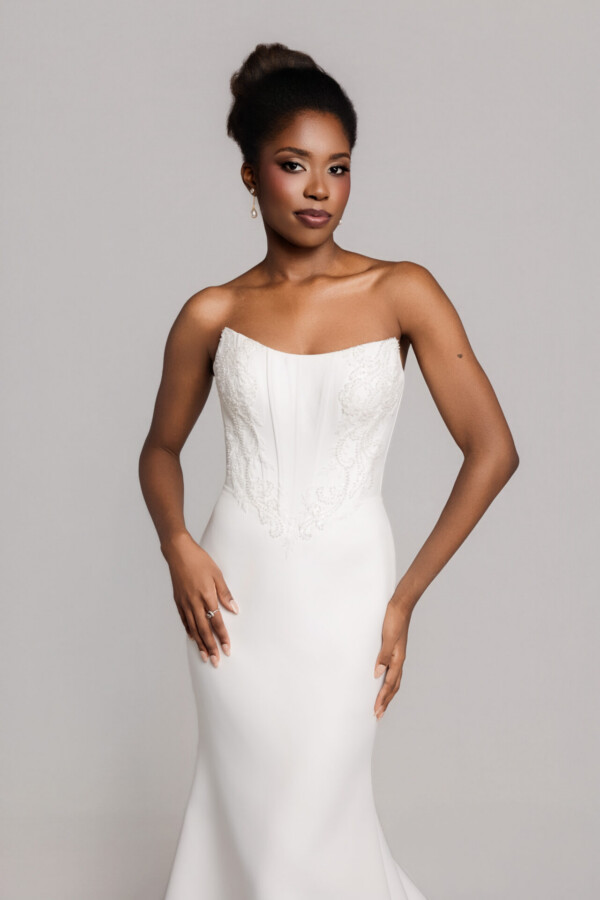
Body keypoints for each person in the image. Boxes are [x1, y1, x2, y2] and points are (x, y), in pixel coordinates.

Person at [138, 41, 519, 900]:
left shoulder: (402, 291)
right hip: (234, 601)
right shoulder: (213, 312)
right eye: (293, 166)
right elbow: (159, 449)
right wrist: (178, 547)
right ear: (249, 177)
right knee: (255, 826)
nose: (319, 190)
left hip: (350, 595)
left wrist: (405, 597)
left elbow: (493, 449)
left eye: (338, 167)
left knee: (316, 817)